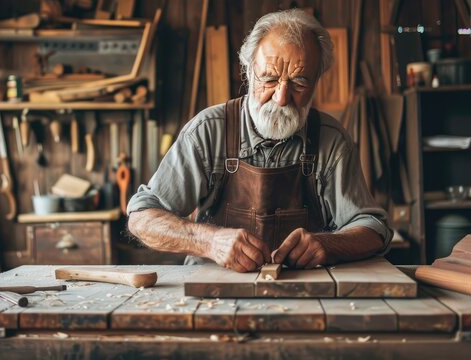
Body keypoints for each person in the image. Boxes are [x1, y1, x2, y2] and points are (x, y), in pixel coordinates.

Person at [126, 9, 392, 273]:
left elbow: (374, 229)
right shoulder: (208, 131)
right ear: (248, 71)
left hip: (304, 293)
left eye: (299, 83)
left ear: (316, 81)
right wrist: (209, 241)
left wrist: (331, 244)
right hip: (213, 293)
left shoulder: (331, 140)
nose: (281, 97)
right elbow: (141, 219)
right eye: (269, 79)